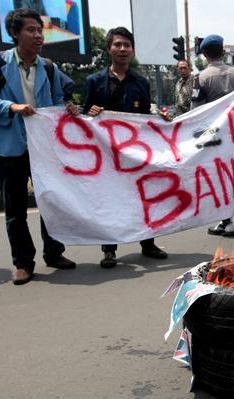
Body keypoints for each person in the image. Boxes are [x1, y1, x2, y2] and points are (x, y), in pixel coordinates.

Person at [0, 8, 78, 285]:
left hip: (42, 148)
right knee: (15, 210)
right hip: (8, 148)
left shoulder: (49, 68)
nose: (38, 36)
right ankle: (23, 263)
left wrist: (69, 110)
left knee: (50, 202)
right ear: (14, 33)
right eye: (31, 30)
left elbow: (58, 103)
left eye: (40, 30)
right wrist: (10, 107)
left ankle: (54, 252)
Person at [83, 27, 168, 267]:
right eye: (118, 45)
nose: (122, 49)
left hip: (136, 152)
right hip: (106, 155)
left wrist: (161, 117)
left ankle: (148, 243)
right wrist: (90, 112)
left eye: (127, 45)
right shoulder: (94, 81)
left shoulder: (141, 82)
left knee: (143, 196)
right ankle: (109, 249)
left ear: (132, 50)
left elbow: (145, 117)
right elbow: (84, 116)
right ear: (109, 48)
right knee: (110, 199)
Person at [191, 34, 234, 237]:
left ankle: (227, 223)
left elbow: (196, 109)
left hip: (215, 135)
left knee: (221, 176)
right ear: (223, 51)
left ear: (205, 54)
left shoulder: (201, 77)